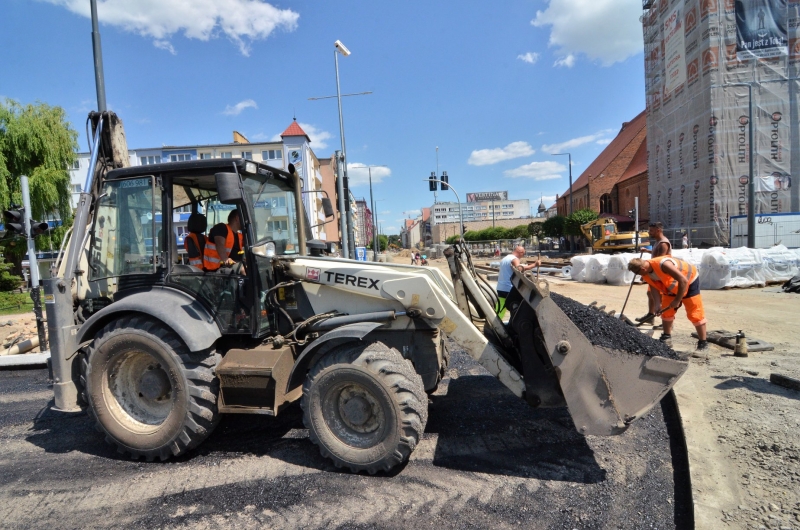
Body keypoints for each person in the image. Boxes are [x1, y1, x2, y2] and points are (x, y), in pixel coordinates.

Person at [628, 256, 709, 357]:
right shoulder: (646, 272)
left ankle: (703, 344)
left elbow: (683, 280)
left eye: (638, 273)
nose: (639, 275)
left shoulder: (664, 265)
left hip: (689, 280)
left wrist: (677, 300)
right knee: (666, 312)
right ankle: (666, 338)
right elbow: (654, 287)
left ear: (643, 269)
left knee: (695, 313)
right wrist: (658, 304)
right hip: (671, 286)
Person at [636, 222, 672, 325]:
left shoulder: (663, 244)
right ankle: (650, 315)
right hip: (656, 274)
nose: (649, 233)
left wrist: (647, 274)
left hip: (661, 275)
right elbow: (656, 255)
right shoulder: (658, 242)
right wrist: (647, 251)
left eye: (651, 231)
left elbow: (658, 262)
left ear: (658, 230)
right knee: (650, 293)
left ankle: (666, 320)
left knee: (662, 297)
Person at [496, 246, 541, 319]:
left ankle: (496, 323)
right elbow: (519, 268)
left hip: (501, 287)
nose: (522, 256)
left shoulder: (506, 258)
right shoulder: (514, 259)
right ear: (521, 253)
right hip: (509, 288)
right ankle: (513, 325)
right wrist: (534, 265)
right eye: (523, 254)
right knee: (515, 307)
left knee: (500, 307)